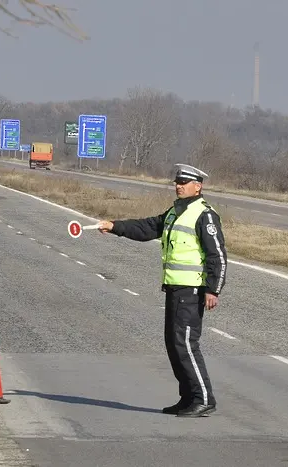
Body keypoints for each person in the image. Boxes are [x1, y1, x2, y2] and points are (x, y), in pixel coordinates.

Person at [97, 164, 227, 418]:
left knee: (186, 344)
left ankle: (203, 399)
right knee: (174, 344)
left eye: (184, 182)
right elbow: (147, 228)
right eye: (177, 182)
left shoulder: (204, 215)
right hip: (174, 288)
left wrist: (213, 289)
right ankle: (188, 397)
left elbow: (218, 256)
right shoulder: (175, 212)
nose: (179, 185)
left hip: (192, 290)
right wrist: (115, 226)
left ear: (197, 186)